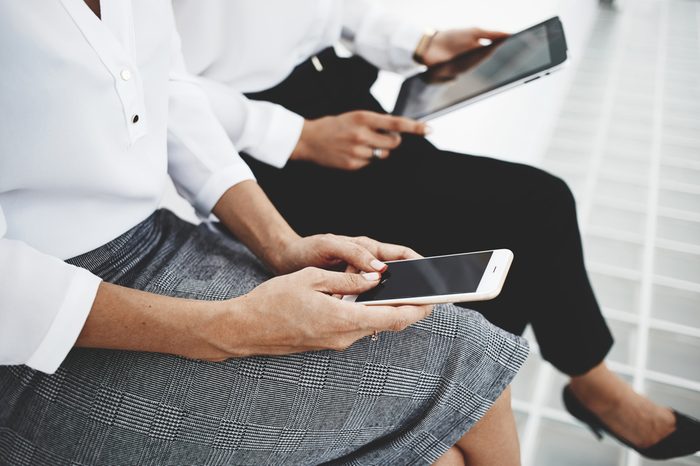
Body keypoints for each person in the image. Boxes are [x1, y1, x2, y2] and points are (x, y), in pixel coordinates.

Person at [0, 2, 532, 465]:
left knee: (446, 452)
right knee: (470, 360)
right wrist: (229, 327)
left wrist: (284, 245)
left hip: (161, 240)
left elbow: (165, 86)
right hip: (42, 339)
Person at [172, 0, 700, 460]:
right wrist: (295, 136)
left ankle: (562, 391)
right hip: (254, 140)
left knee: (501, 241)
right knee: (508, 228)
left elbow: (318, 9)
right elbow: (159, 81)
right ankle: (560, 395)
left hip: (336, 90)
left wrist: (420, 42)